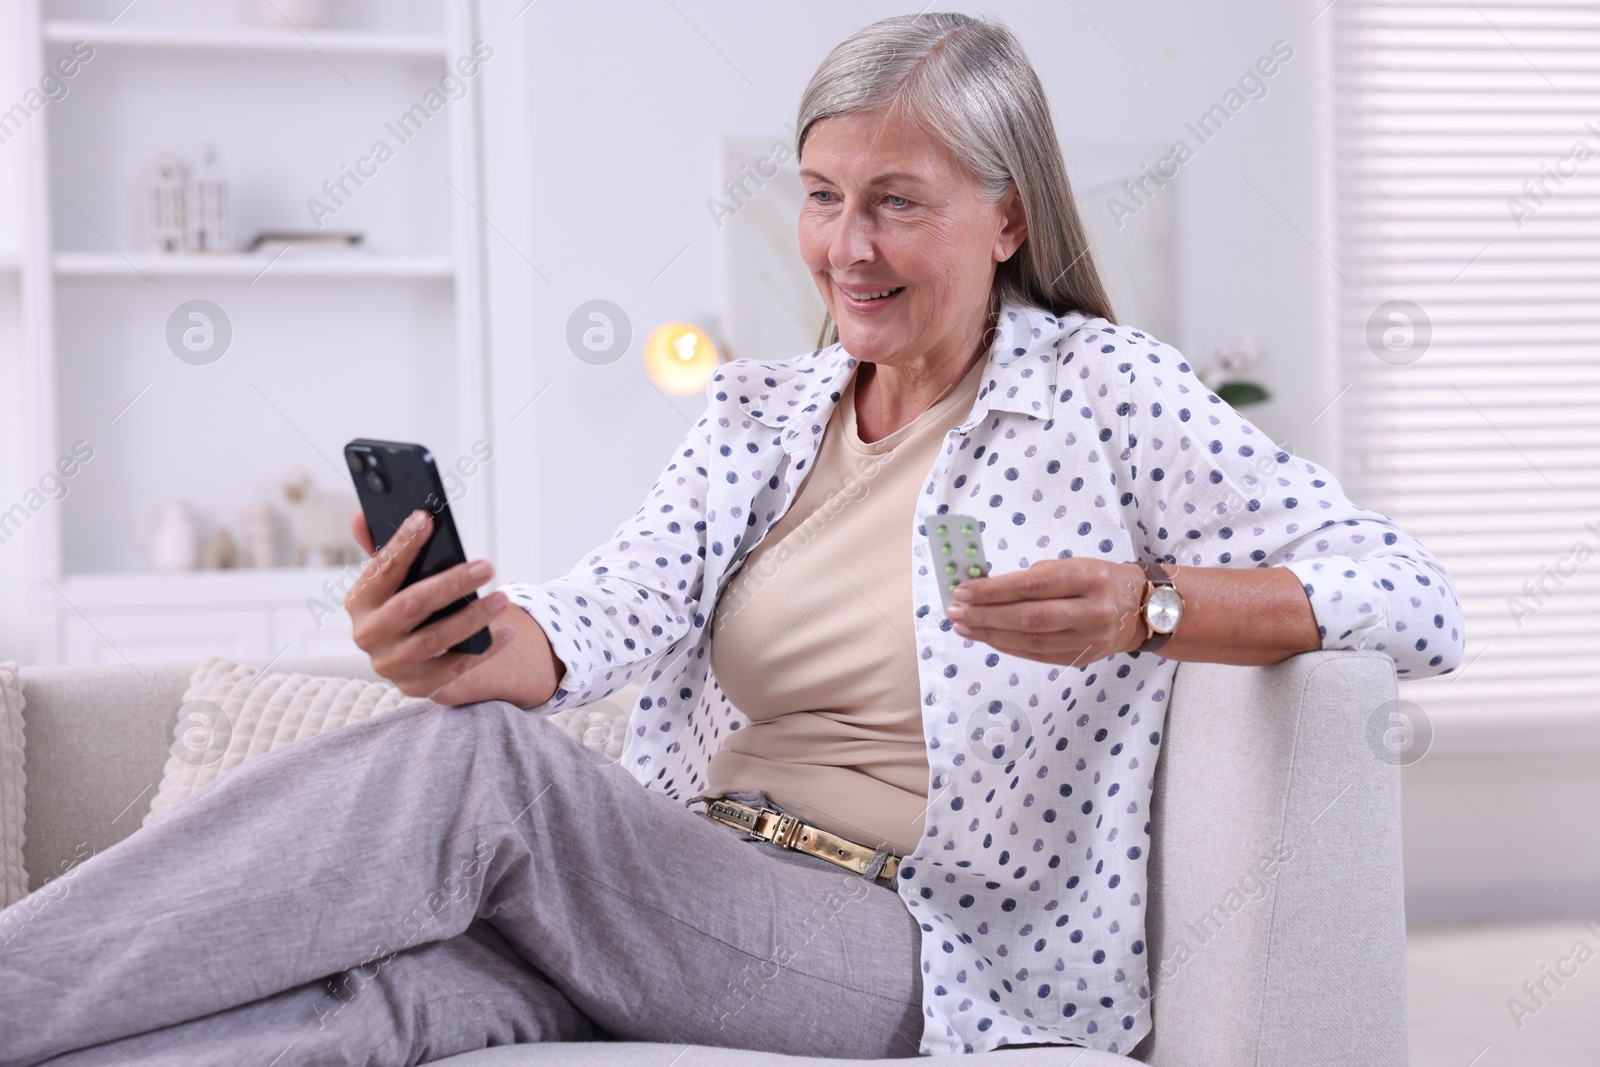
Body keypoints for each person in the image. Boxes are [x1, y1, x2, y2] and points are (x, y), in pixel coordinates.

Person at [0, 11, 1464, 1065]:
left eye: (898, 202)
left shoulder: (1104, 394)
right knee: (383, 1006)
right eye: (825, 199)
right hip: (692, 886)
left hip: (906, 946)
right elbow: (582, 628)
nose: (848, 248)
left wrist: (1148, 606)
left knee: (480, 773)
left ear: (1007, 218)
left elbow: (1412, 596)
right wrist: (448, 641)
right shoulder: (760, 416)